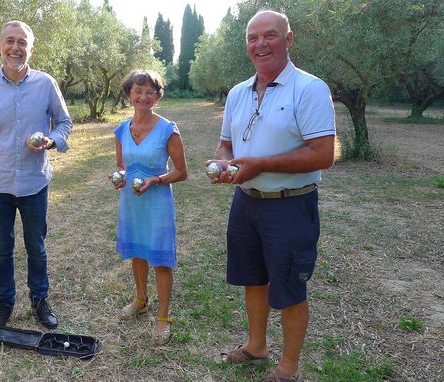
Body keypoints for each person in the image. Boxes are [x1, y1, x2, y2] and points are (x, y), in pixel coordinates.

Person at [206, 10, 336, 382]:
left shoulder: (309, 89)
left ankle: (289, 366)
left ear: (289, 39)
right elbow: (227, 143)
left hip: (291, 205)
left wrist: (259, 164)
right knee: (253, 278)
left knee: (290, 285)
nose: (260, 44)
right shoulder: (237, 92)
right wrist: (225, 164)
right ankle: (257, 346)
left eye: (270, 36)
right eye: (252, 38)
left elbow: (323, 154)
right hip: (246, 202)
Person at [0, 20, 72, 331]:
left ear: (31, 48)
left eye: (22, 42)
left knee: (36, 246)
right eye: (9, 41)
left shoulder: (46, 84)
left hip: (34, 183)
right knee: (2, 248)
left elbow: (65, 123)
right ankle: (5, 302)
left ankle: (40, 300)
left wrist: (51, 141)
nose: (15, 48)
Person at [112, 70, 188, 345]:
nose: (143, 96)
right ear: (129, 94)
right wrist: (118, 178)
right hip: (131, 201)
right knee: (138, 253)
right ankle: (141, 300)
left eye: (149, 92)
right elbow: (122, 166)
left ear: (157, 97)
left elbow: (182, 171)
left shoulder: (168, 129)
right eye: (138, 91)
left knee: (160, 260)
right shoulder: (121, 129)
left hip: (157, 201)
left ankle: (163, 316)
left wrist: (157, 179)